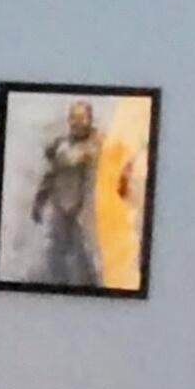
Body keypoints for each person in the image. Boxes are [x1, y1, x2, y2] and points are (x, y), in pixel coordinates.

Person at [23, 98, 134, 289]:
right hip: (62, 209)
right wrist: (38, 202)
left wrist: (122, 186)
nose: (77, 122)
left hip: (90, 213)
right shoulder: (60, 146)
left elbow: (124, 160)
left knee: (91, 260)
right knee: (56, 256)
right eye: (73, 118)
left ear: (90, 119)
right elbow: (50, 176)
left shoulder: (102, 142)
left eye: (82, 118)